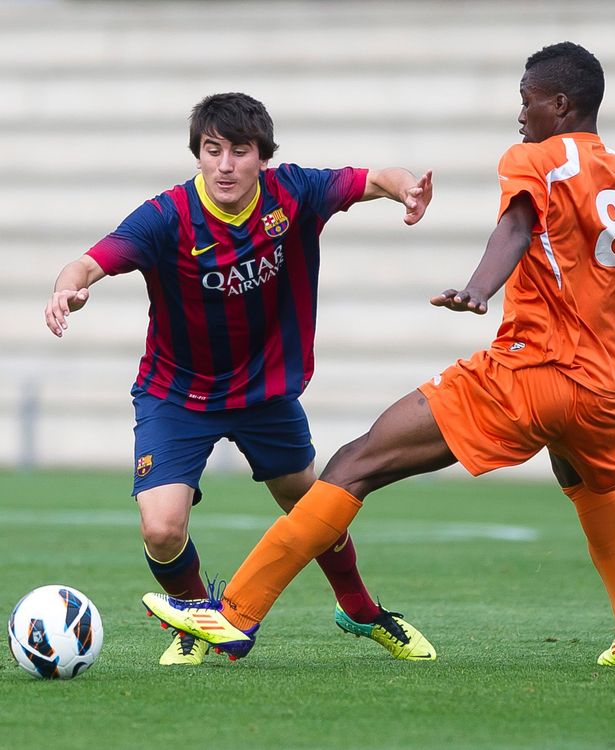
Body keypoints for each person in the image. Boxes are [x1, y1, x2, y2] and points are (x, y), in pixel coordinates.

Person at [141, 44, 615, 666]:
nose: (519, 110)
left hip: (531, 372)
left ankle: (234, 613)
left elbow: (519, 226)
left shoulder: (536, 158)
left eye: (528, 98)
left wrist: (479, 288)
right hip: (608, 395)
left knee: (355, 462)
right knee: (585, 484)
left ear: (560, 103)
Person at [45, 92, 437, 665]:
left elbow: (376, 177)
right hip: (177, 393)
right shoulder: (167, 216)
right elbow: (88, 261)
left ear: (262, 157)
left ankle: (360, 609)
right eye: (212, 150)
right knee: (161, 527)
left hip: (264, 392)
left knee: (315, 511)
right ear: (198, 155)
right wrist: (68, 288)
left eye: (239, 151)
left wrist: (405, 188)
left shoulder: (293, 193)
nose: (225, 164)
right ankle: (199, 620)